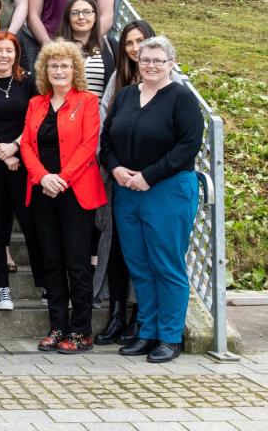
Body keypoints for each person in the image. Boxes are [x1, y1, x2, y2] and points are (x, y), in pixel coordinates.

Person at [100, 35, 202, 364]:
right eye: (146, 60)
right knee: (140, 265)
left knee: (166, 265)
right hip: (127, 191)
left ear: (171, 63)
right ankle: (147, 331)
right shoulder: (128, 95)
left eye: (159, 60)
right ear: (137, 63)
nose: (152, 66)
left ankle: (169, 336)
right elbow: (107, 138)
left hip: (167, 190)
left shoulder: (181, 99)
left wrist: (149, 176)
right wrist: (114, 168)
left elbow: (188, 146)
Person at [22, 40, 106, 354]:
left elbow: (88, 146)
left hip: (76, 192)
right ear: (45, 70)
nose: (59, 70)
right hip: (43, 191)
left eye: (65, 65)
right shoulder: (36, 104)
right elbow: (27, 146)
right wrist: (43, 176)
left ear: (75, 70)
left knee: (77, 263)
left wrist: (61, 179)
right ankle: (58, 327)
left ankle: (81, 331)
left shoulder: (87, 102)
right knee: (52, 262)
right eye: (53, 65)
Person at [94, 20, 172, 345]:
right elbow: (104, 122)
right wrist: (111, 164)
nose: (136, 48)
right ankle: (116, 314)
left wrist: (147, 173)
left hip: (153, 181)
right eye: (129, 42)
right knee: (117, 250)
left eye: (142, 42)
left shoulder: (170, 88)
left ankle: (144, 320)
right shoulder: (119, 82)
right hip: (117, 176)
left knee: (147, 252)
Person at [0, 31, 42, 313]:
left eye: (9, 50)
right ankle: (2, 289)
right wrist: (0, 152)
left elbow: (36, 120)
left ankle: (45, 285)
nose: (4, 56)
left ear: (17, 53)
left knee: (33, 225)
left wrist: (15, 147)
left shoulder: (28, 82)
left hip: (24, 160)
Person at [57, 0, 115, 97]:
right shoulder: (56, 48)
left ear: (96, 16)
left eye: (87, 12)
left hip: (100, 112)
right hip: (65, 111)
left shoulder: (111, 46)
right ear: (67, 18)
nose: (81, 17)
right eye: (75, 13)